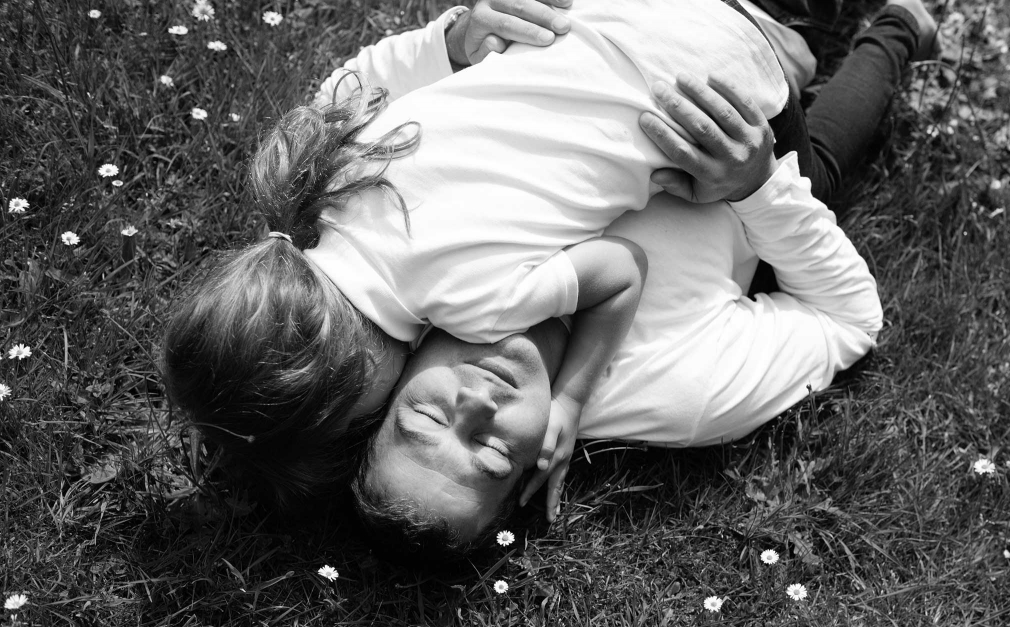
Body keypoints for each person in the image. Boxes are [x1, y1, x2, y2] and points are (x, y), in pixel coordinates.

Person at [160, 0, 822, 508]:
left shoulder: (477, 309)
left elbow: (622, 275)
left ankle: (791, 47)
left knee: (797, 127)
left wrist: (567, 399)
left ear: (362, 375)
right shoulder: (319, 178)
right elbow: (352, 90)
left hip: (721, 86)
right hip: (609, 16)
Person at [349, 0, 938, 548]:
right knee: (818, 179)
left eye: (427, 417)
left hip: (621, 17)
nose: (478, 403)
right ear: (533, 473)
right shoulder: (677, 389)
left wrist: (449, 44)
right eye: (494, 455)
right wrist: (759, 189)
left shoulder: (394, 254)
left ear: (383, 397)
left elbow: (344, 110)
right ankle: (895, 29)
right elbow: (850, 321)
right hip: (753, 76)